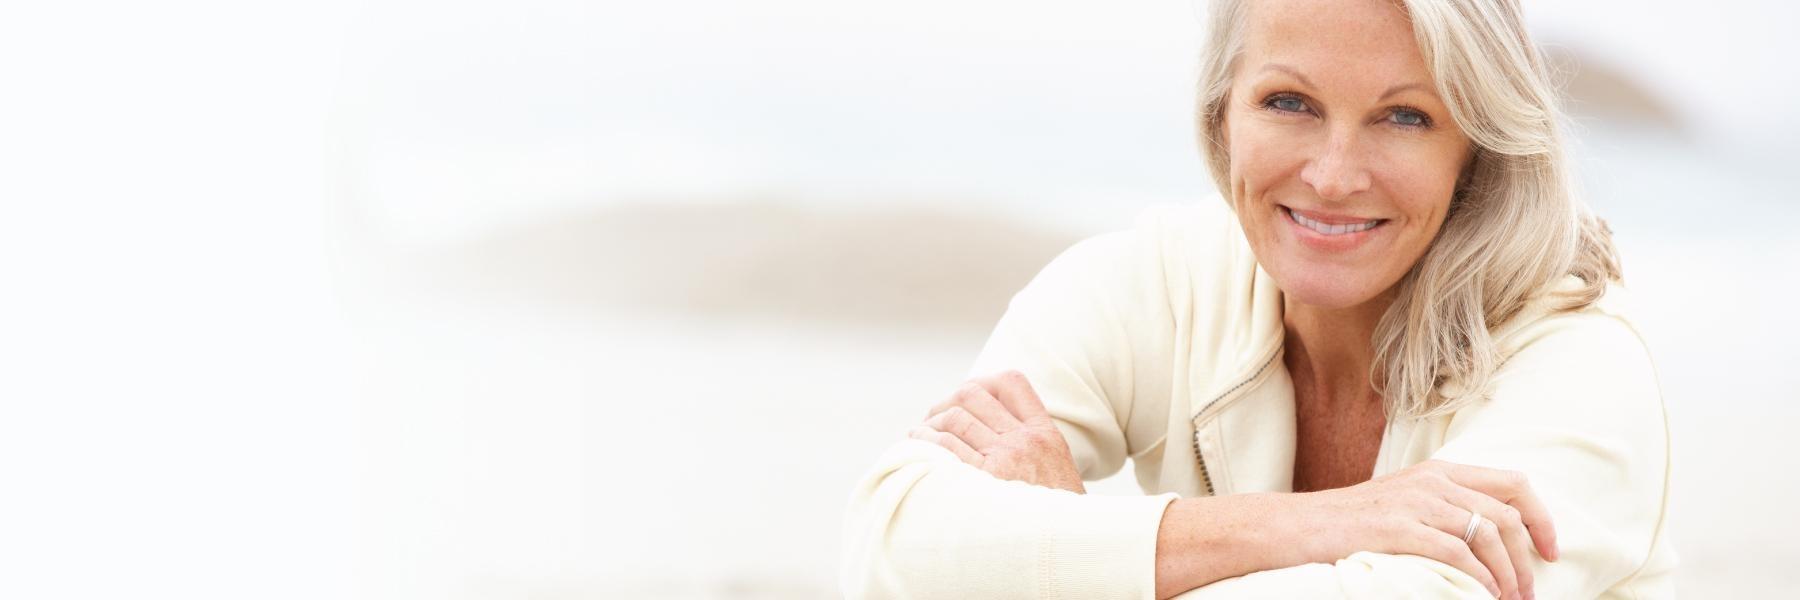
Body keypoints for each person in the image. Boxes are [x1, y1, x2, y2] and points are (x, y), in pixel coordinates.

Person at [839, 0, 1676, 598]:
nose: (1334, 175)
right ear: (1220, 118)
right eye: (1289, 103)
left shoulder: (1578, 360)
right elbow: (892, 548)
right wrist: (1317, 522)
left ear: (1477, 152)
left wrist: (1067, 556)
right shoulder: (1158, 282)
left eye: (1405, 118)